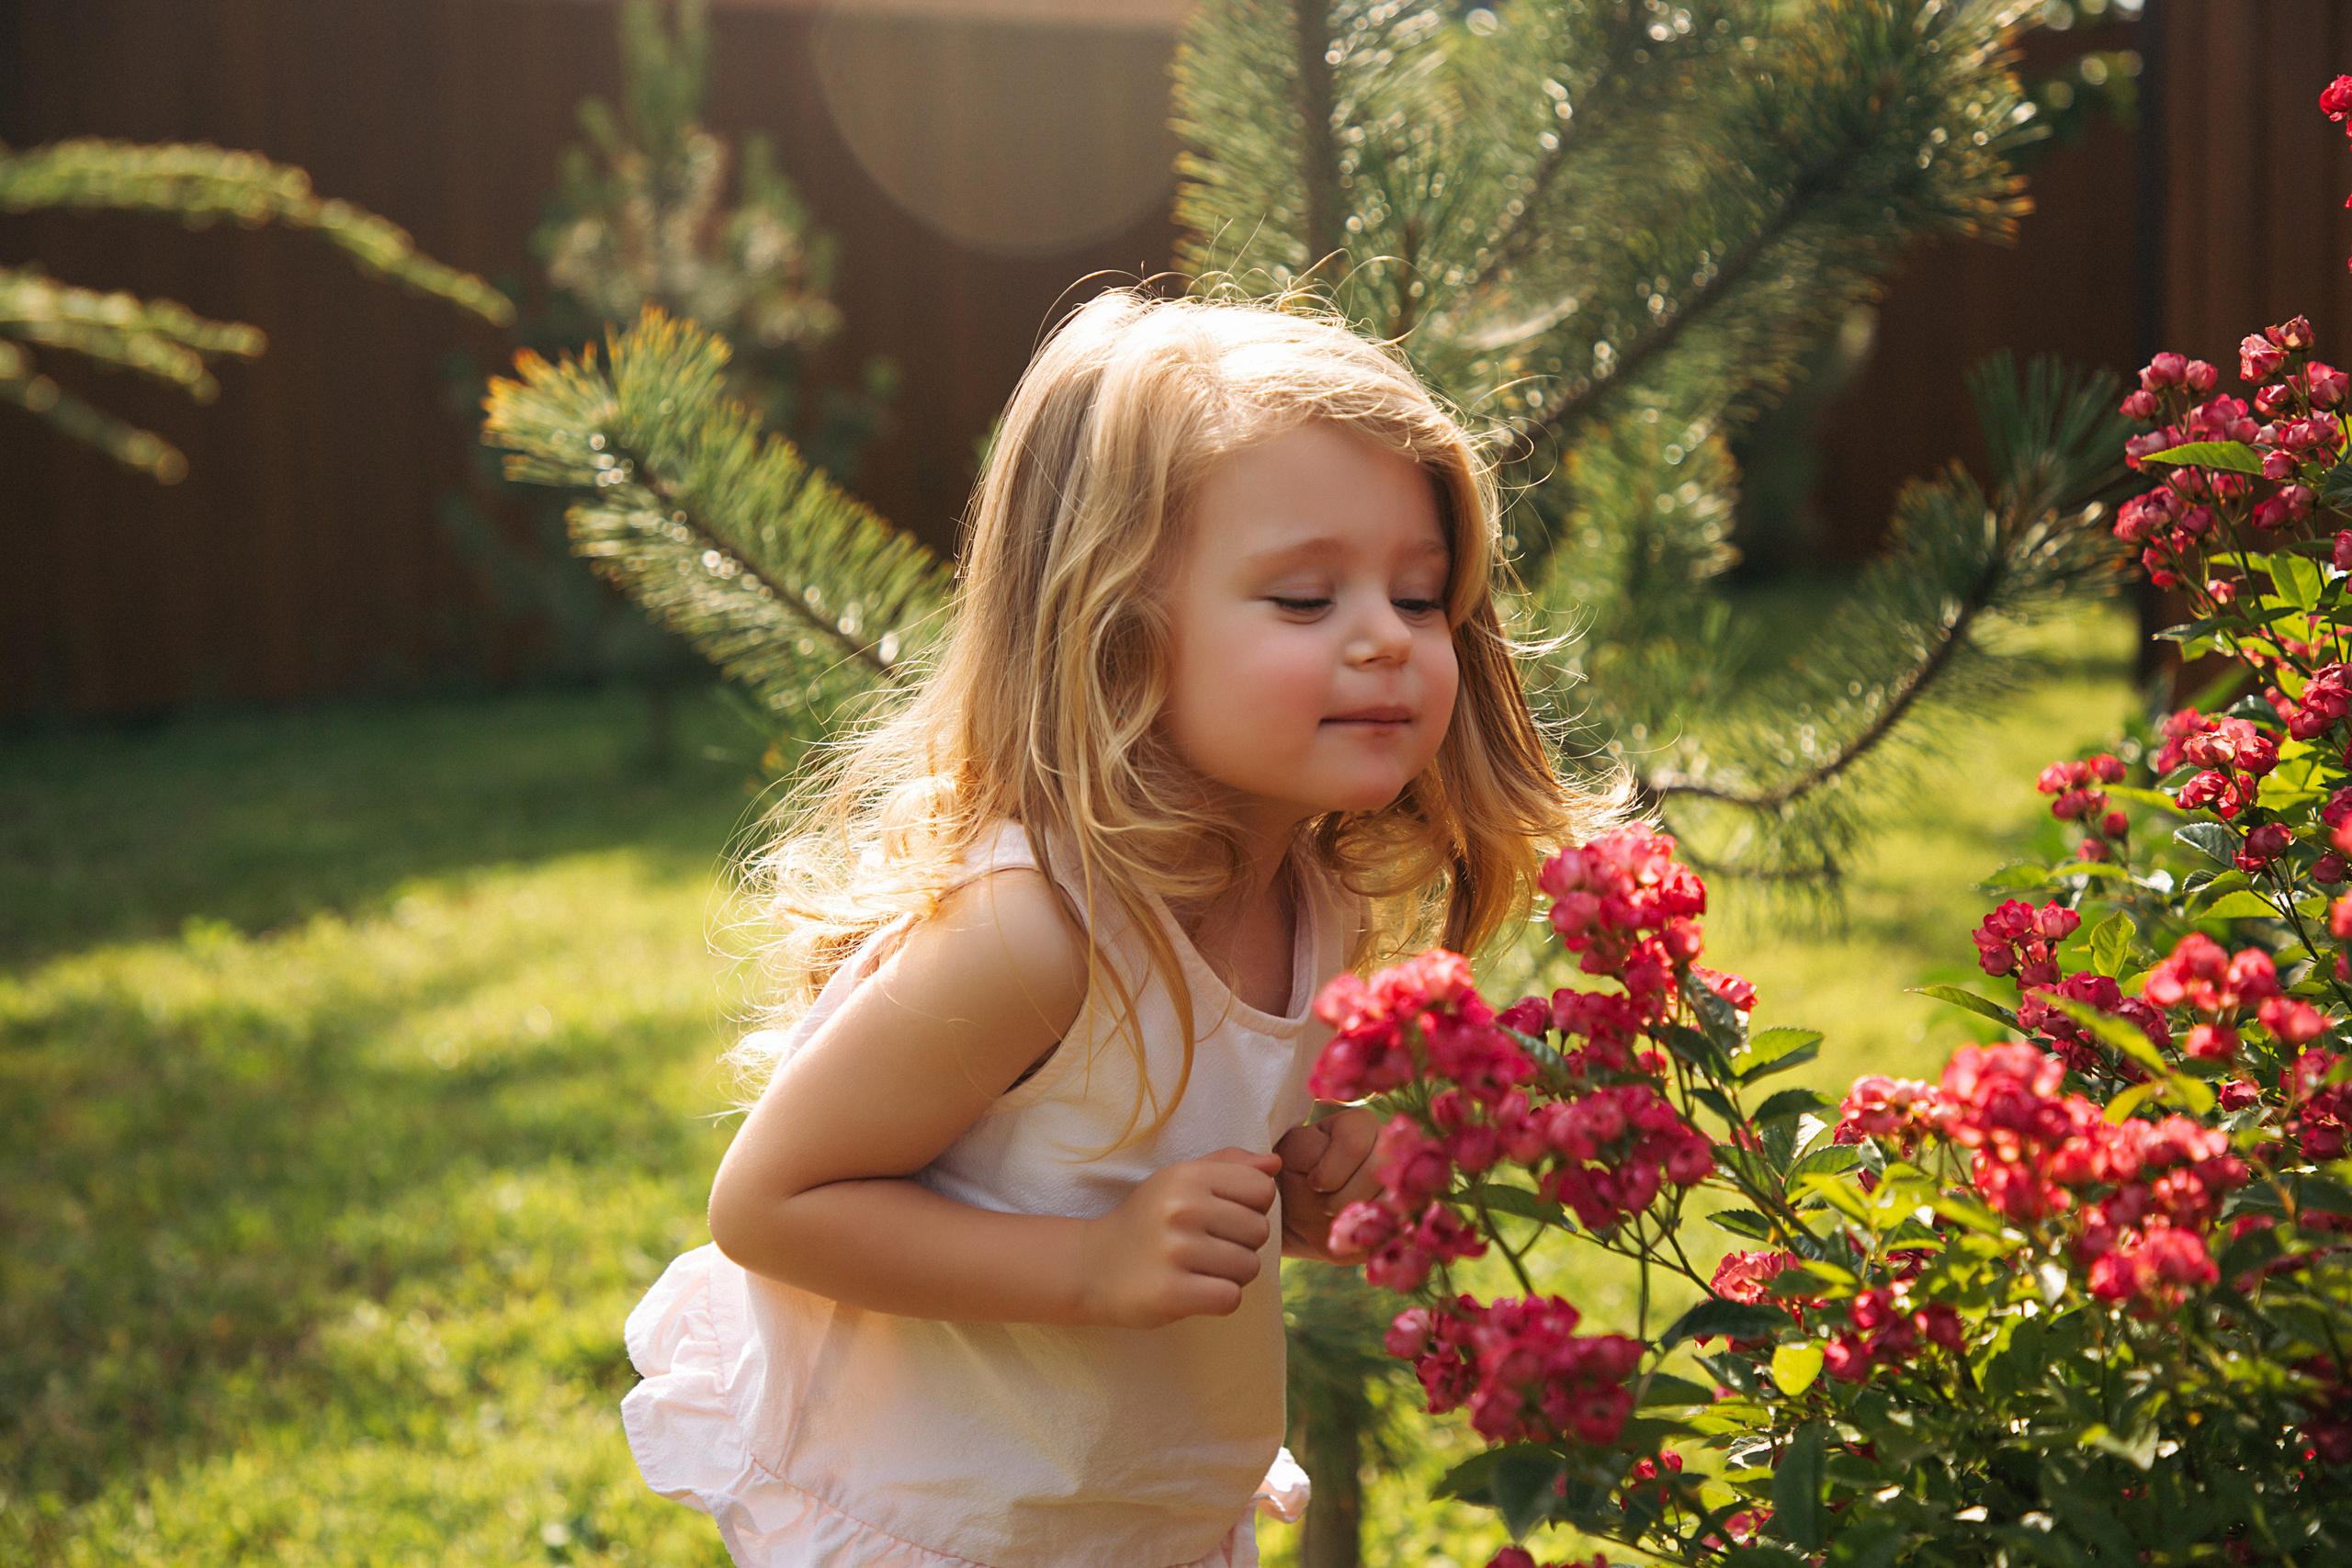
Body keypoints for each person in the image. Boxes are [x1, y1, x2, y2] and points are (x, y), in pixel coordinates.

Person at [620, 288, 1622, 1568]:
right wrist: (1093, 1266)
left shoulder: (1312, 900)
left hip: (1138, 1514)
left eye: (1420, 598)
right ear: (1118, 636)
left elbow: (1207, 1130)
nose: (1384, 640)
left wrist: (1323, 1177)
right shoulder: (1038, 934)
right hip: (956, 1527)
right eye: (1307, 600)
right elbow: (772, 1205)